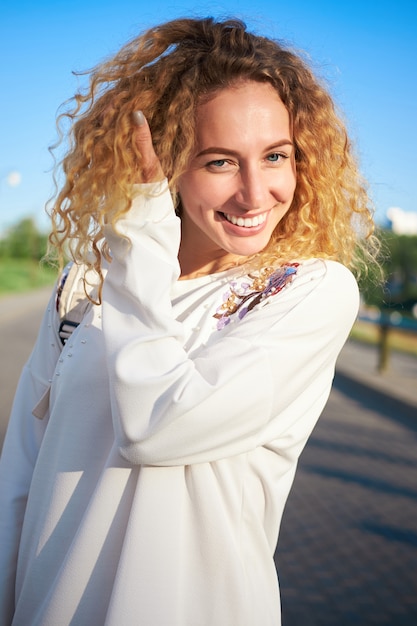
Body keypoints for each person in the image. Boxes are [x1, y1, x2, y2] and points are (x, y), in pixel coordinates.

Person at [0, 16, 378, 626]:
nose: (255, 194)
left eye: (276, 156)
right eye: (220, 162)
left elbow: (156, 428)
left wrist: (145, 228)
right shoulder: (87, 286)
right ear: (168, 164)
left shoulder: (310, 292)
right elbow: (19, 474)